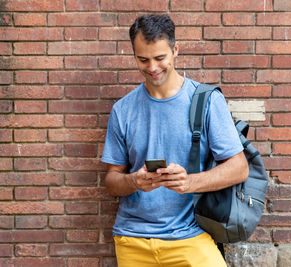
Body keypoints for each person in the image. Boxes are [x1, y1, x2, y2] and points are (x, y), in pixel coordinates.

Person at [101, 14, 249, 267]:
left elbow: (239, 168)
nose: (152, 67)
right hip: (133, 239)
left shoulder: (206, 100)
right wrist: (134, 181)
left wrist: (188, 182)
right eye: (143, 59)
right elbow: (112, 182)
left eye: (160, 58)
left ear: (175, 50)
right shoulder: (122, 110)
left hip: (191, 236)